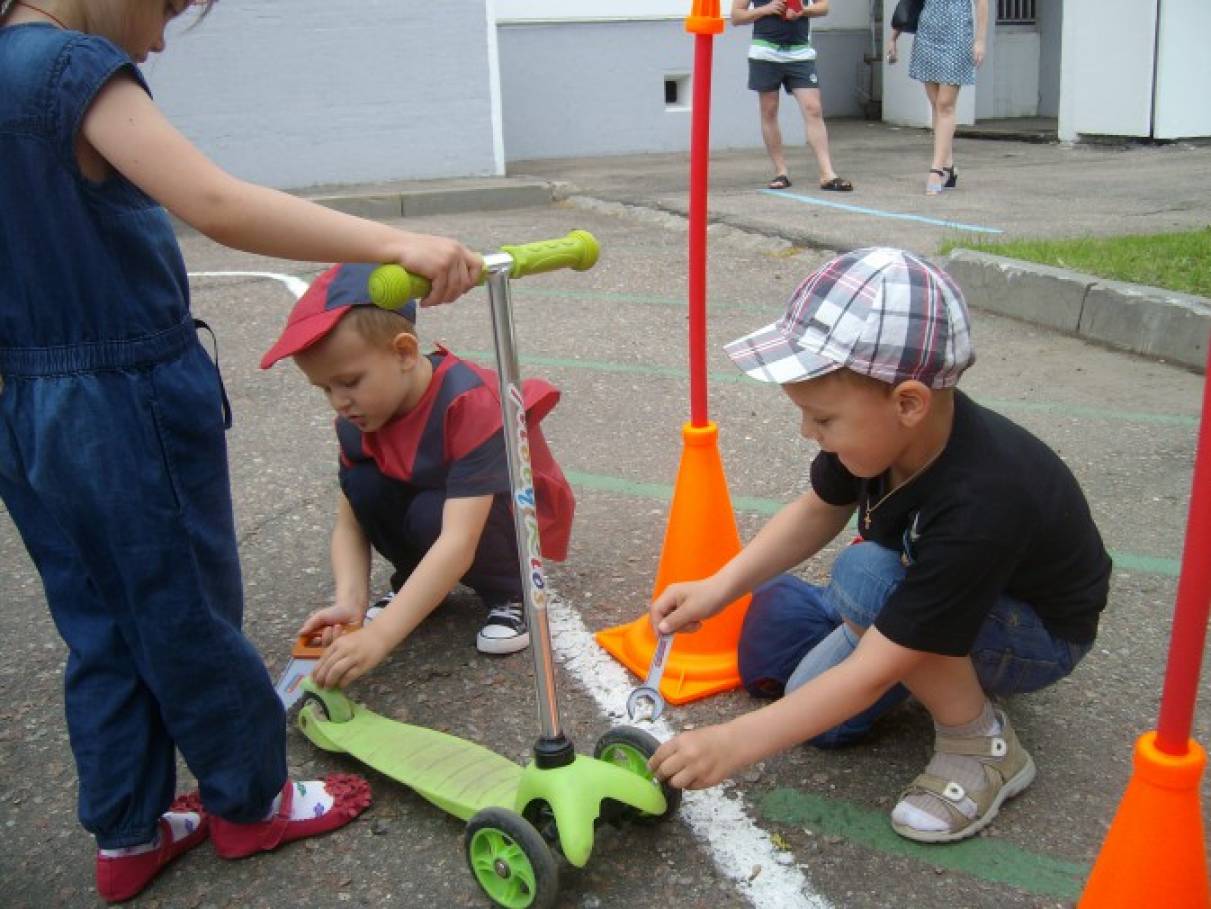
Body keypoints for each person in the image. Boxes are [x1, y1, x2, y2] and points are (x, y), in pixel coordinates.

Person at [0, 0, 482, 902]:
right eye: (170, 9)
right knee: (185, 609)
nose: (158, 39)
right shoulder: (68, 70)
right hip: (122, 398)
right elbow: (215, 202)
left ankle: (129, 830)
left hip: (22, 402)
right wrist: (394, 239)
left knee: (99, 620)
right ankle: (252, 801)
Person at [647, 247, 1111, 843]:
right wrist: (719, 587)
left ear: (909, 403)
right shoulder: (881, 438)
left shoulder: (985, 499)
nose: (807, 432)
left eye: (823, 419)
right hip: (943, 595)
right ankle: (888, 631)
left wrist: (733, 743)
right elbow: (817, 510)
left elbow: (870, 674)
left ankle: (984, 747)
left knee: (865, 580)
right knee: (817, 717)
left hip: (1037, 638)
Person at [259, 264, 575, 686]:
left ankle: (511, 591)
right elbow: (350, 522)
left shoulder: (469, 403)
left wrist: (381, 637)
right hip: (441, 500)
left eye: (349, 382)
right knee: (364, 488)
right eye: (325, 389)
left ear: (405, 353)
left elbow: (458, 539)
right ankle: (419, 586)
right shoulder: (361, 418)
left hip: (511, 513)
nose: (339, 401)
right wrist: (349, 602)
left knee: (433, 514)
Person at [731, 0, 853, 192]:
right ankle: (781, 172)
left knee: (813, 108)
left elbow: (823, 7)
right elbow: (736, 16)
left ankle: (827, 174)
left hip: (800, 53)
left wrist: (802, 11)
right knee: (769, 111)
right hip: (765, 52)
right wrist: (766, 9)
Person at [887, 0, 989, 194]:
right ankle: (948, 166)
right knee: (936, 105)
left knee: (945, 105)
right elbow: (910, 3)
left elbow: (982, 2)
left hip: (958, 35)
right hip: (927, 34)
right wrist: (894, 37)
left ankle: (936, 170)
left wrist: (980, 40)